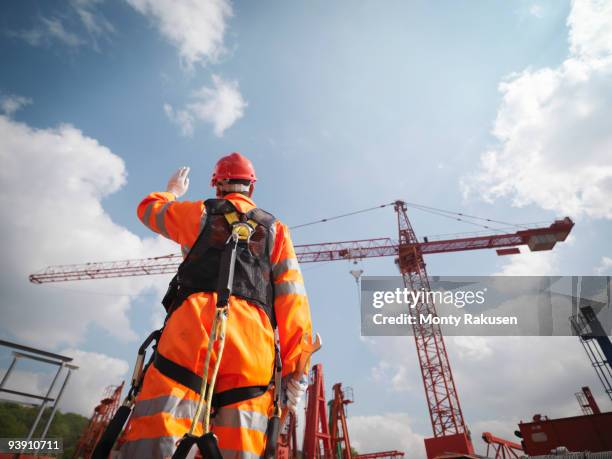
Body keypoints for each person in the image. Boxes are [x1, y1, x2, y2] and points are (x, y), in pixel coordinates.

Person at [119, 152, 313, 459]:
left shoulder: (198, 213)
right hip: (252, 347)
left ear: (217, 185)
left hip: (190, 335)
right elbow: (293, 299)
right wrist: (296, 369)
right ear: (252, 187)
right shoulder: (277, 231)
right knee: (241, 444)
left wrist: (171, 192)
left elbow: (148, 210)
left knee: (158, 434)